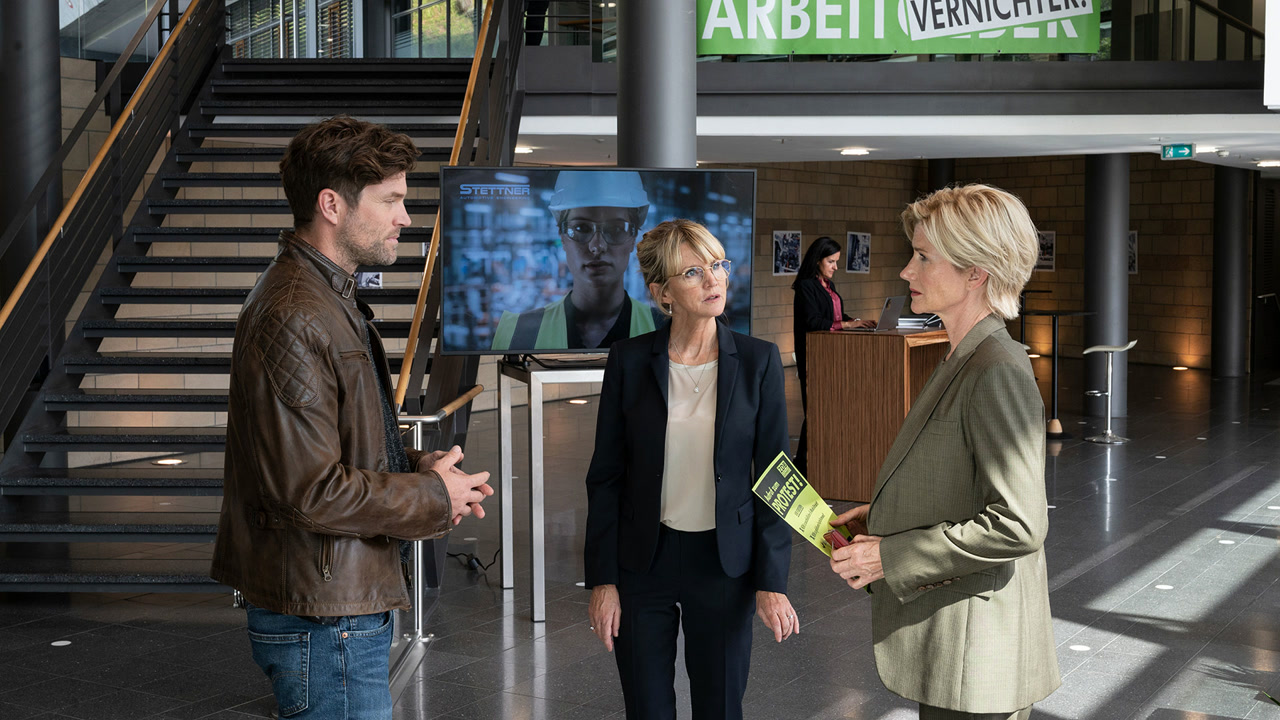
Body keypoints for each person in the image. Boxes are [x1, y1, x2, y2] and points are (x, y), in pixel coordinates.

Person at [210, 116, 494, 720]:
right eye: (390, 200)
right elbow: (309, 489)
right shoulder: (295, 313)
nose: (405, 217)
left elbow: (337, 443)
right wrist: (431, 495)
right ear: (332, 205)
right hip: (325, 615)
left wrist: (418, 468)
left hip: (334, 601)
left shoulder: (324, 297)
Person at [827, 184, 1060, 719]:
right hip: (957, 648)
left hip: (977, 655)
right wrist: (886, 517)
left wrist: (890, 556)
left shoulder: (996, 369)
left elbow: (1019, 524)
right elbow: (961, 480)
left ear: (975, 273)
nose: (906, 271)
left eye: (924, 257)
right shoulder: (964, 356)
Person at [584, 219, 798, 720]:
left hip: (724, 562)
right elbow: (606, 476)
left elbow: (775, 475)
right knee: (647, 706)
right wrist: (603, 580)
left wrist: (772, 581)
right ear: (662, 292)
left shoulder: (759, 361)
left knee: (720, 706)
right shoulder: (628, 361)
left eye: (718, 265)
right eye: (693, 272)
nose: (713, 280)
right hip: (643, 559)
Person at [490, 169, 664, 351]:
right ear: (563, 238)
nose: (597, 246)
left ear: (633, 238)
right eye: (581, 228)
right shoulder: (515, 334)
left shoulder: (666, 329)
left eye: (616, 229)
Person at [790, 236, 873, 474]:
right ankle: (803, 464)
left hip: (832, 356)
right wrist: (847, 325)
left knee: (824, 409)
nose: (835, 267)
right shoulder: (806, 287)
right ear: (818, 260)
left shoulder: (828, 285)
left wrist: (855, 321)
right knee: (815, 411)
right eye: (831, 261)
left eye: (836, 261)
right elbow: (813, 321)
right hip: (815, 357)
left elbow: (834, 316)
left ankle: (809, 462)